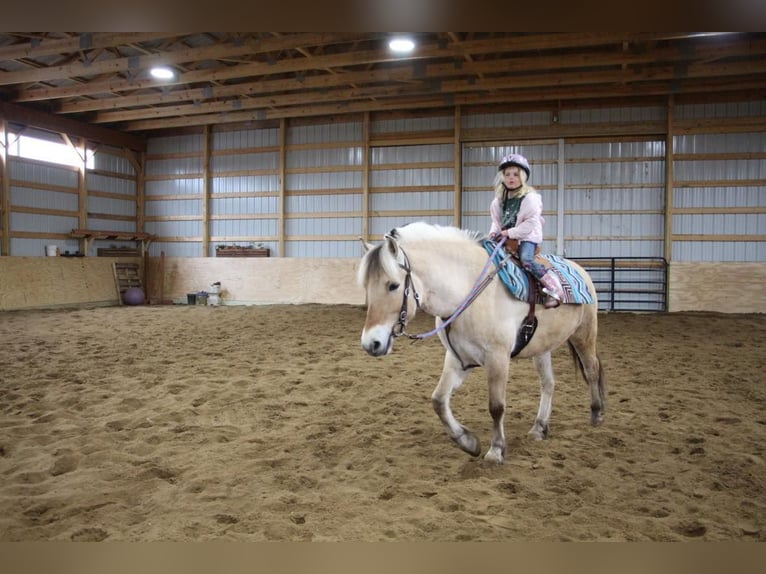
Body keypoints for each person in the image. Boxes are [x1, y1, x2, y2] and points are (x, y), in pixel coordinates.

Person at [489, 153, 564, 309]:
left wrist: (507, 233)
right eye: (507, 174)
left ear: (522, 177)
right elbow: (496, 222)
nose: (511, 178)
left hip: (527, 236)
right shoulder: (498, 200)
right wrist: (493, 233)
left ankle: (554, 288)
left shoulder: (530, 198)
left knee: (526, 260)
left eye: (516, 174)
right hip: (507, 236)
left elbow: (530, 224)